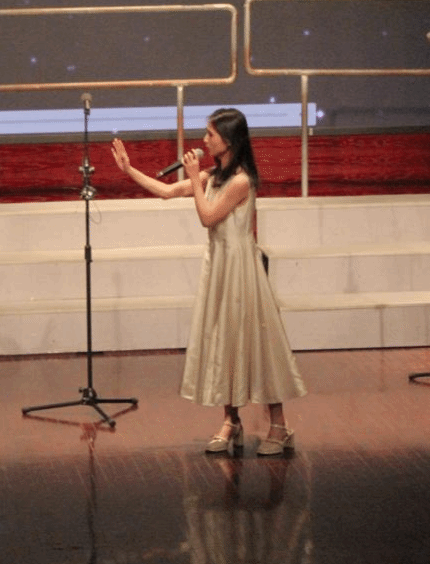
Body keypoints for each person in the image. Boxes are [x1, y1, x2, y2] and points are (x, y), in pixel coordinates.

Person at [111, 107, 306, 456]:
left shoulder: (241, 181)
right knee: (223, 341)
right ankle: (231, 420)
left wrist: (195, 176)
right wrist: (129, 170)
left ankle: (279, 426)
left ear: (228, 140)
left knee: (257, 342)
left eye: (210, 135)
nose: (204, 140)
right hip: (219, 267)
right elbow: (167, 191)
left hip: (241, 270)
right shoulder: (213, 176)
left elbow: (208, 217)